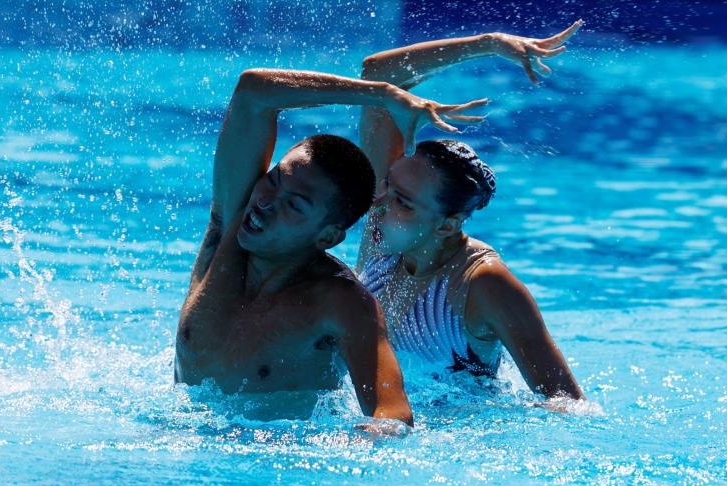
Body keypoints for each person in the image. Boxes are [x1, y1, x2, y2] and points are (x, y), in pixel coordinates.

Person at [175, 67, 484, 424]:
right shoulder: (231, 223)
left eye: (294, 205)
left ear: (327, 238)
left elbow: (393, 413)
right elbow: (252, 91)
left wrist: (372, 438)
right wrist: (381, 93)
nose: (265, 202)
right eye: (274, 180)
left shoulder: (341, 303)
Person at [355, 21, 586, 400]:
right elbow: (377, 76)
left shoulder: (482, 285)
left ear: (446, 226)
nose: (376, 205)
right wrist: (488, 43)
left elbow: (567, 404)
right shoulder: (390, 230)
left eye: (402, 201)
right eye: (387, 185)